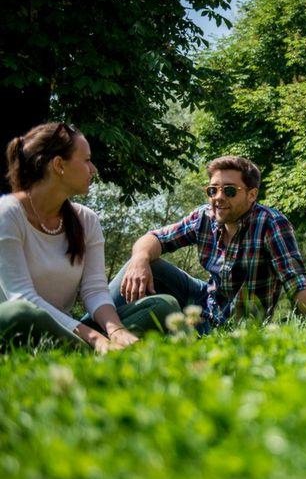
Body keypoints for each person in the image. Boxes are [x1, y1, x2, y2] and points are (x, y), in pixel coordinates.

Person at [0, 122, 179, 352]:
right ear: (58, 165)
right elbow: (22, 297)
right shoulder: (7, 213)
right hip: (21, 326)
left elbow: (94, 290)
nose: (93, 168)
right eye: (86, 160)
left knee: (163, 306)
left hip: (68, 331)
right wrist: (96, 339)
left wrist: (115, 331)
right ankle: (93, 352)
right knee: (20, 313)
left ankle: (90, 353)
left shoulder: (87, 219)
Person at [110, 155, 306, 333]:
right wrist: (139, 259)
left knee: (163, 308)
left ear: (252, 194)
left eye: (229, 191)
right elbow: (155, 238)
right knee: (145, 262)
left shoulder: (271, 224)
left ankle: (110, 336)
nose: (218, 198)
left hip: (236, 323)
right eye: (213, 190)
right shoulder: (204, 216)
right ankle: (90, 327)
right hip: (204, 298)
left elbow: (296, 282)